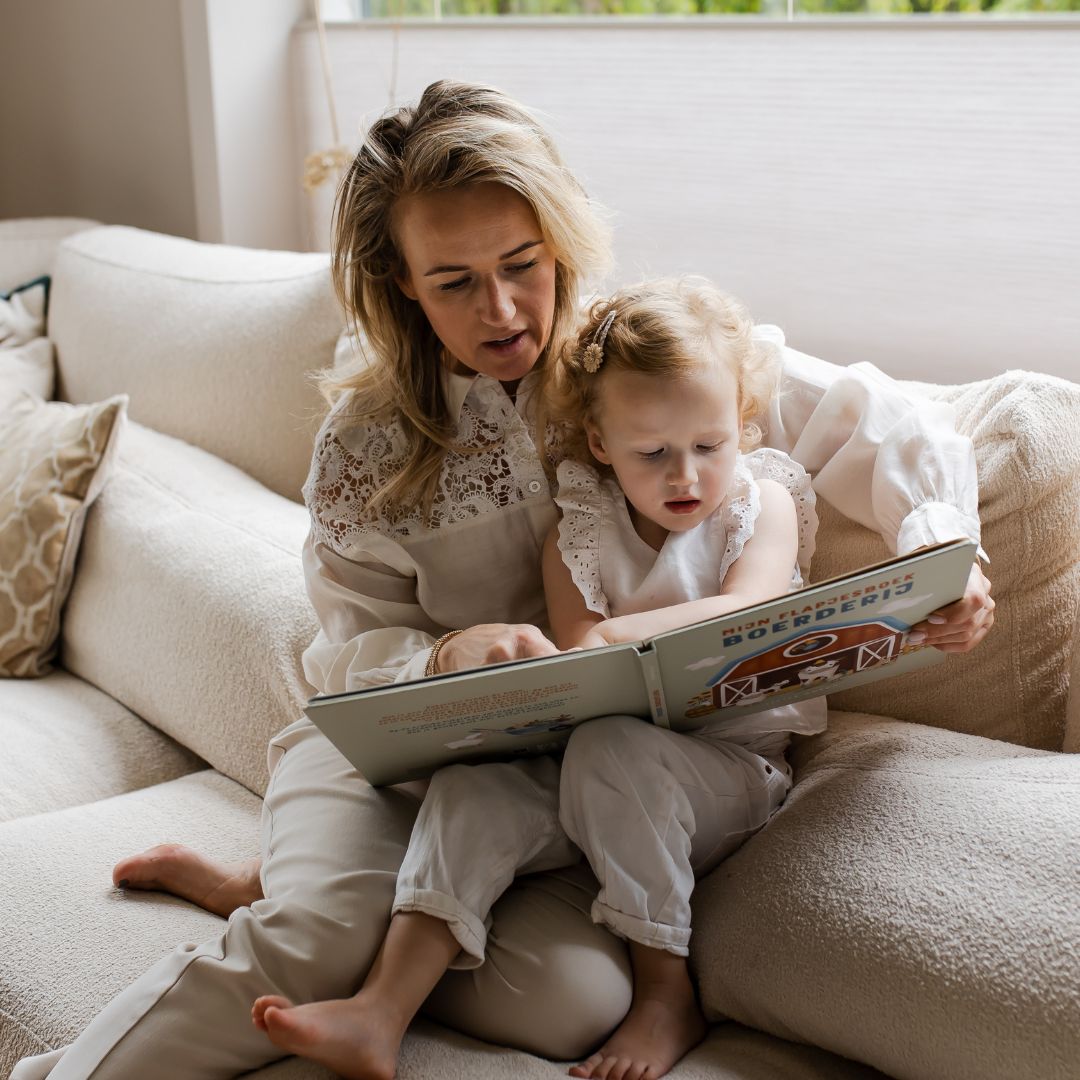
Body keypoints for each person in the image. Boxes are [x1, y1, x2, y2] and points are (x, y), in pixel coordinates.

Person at [10, 80, 993, 1080]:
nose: (503, 309)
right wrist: (449, 651)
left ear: (561, 243)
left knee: (579, 1004)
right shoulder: (365, 444)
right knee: (317, 940)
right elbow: (344, 654)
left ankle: (307, 889)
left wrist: (941, 545)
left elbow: (886, 420)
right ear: (402, 286)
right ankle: (222, 967)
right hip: (391, 749)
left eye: (523, 265)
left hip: (550, 779)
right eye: (455, 282)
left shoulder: (648, 361)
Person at [246, 276, 823, 1080]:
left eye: (709, 445)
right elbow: (581, 656)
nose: (685, 475)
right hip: (595, 765)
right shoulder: (577, 533)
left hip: (728, 773)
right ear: (599, 443)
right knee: (476, 786)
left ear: (742, 427)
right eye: (652, 454)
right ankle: (379, 1010)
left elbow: (743, 613)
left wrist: (616, 635)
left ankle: (666, 994)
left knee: (614, 749)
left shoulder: (761, 503)